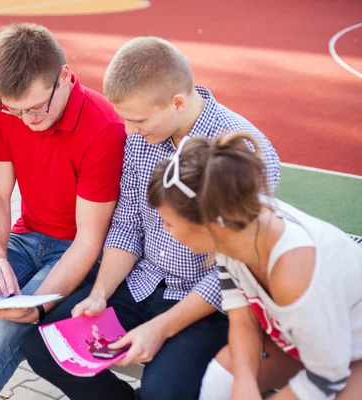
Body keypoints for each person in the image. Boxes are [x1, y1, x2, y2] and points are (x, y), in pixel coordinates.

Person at [22, 36, 282, 400]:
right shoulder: (141, 137)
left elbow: (231, 272)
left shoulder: (243, 151)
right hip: (143, 282)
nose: (128, 131)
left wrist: (159, 328)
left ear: (177, 102)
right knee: (44, 347)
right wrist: (100, 294)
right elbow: (127, 225)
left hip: (207, 304)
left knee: (163, 389)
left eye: (138, 119)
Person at [0, 23, 126, 400]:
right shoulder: (3, 107)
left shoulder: (103, 128)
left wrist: (40, 305)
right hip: (26, 237)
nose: (28, 121)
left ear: (64, 77)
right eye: (16, 112)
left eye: (36, 108)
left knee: (7, 332)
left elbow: (90, 239)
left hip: (76, 250)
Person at [146, 132, 362, 400]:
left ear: (210, 224)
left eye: (169, 222)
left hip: (349, 356)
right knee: (221, 380)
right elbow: (243, 319)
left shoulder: (293, 273)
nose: (165, 231)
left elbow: (327, 377)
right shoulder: (231, 230)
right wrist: (244, 382)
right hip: (309, 343)